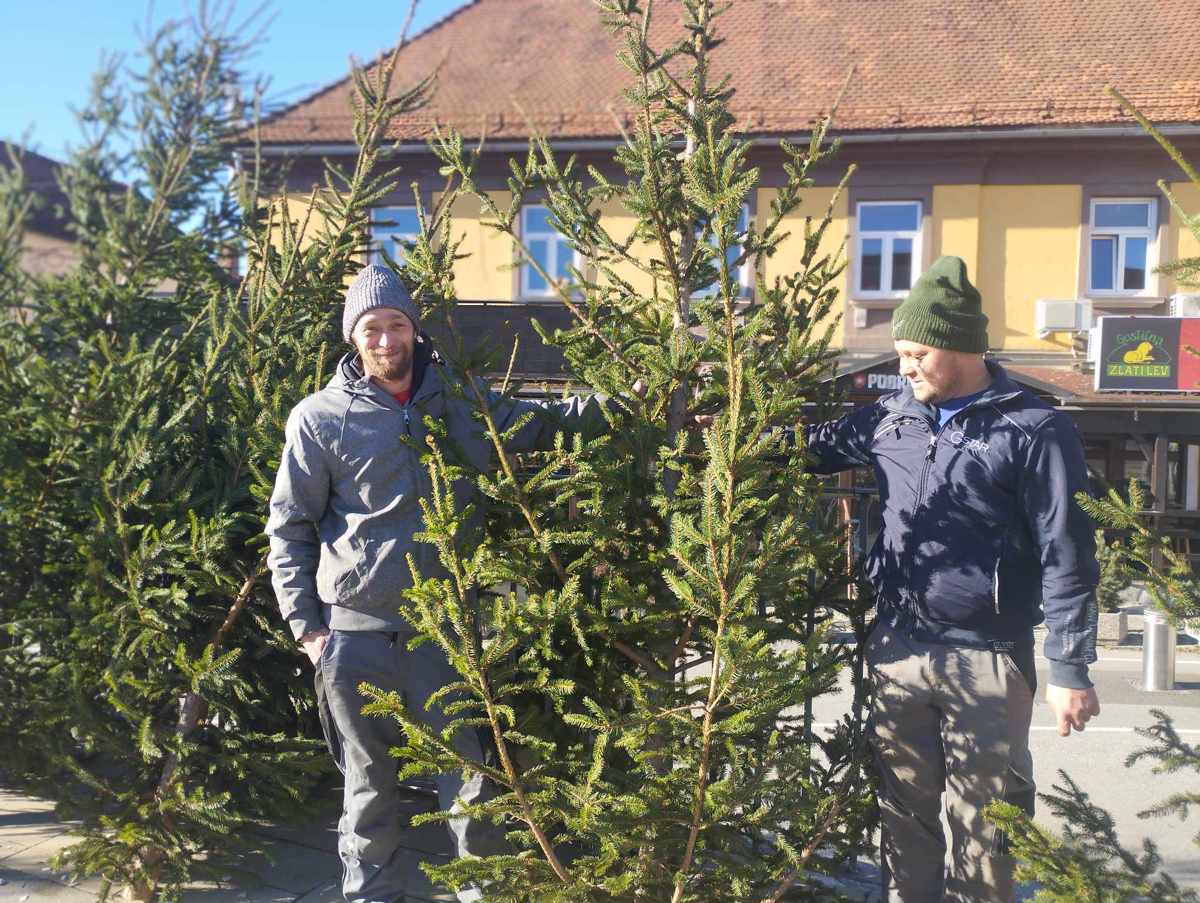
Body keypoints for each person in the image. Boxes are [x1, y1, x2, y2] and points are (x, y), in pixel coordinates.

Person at [265, 265, 605, 903]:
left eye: (396, 325)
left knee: (470, 781)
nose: (385, 340)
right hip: (353, 638)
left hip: (445, 634)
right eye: (371, 328)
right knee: (368, 786)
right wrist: (308, 629)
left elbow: (542, 424)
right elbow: (289, 527)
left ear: (414, 330)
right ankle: (372, 896)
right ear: (352, 336)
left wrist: (627, 401)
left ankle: (479, 891)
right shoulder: (319, 418)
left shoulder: (461, 403)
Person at [804, 255, 1101, 902]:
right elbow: (808, 447)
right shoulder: (891, 416)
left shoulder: (1034, 429)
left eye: (918, 354)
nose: (906, 368)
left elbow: (1068, 553)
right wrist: (719, 433)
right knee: (902, 813)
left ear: (963, 347)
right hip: (897, 647)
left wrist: (1070, 668)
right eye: (901, 355)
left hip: (988, 657)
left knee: (988, 823)